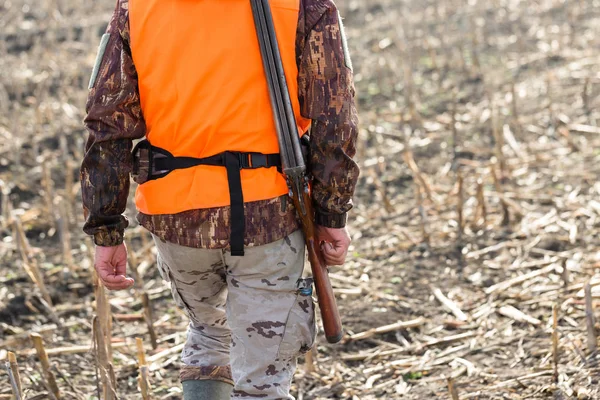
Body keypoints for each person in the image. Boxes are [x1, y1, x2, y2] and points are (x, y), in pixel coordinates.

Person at [80, 0, 358, 398]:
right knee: (262, 380)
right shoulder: (304, 4)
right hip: (271, 213)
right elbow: (336, 114)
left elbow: (106, 123)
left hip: (177, 216)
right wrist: (333, 212)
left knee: (209, 331)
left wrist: (105, 229)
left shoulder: (137, 6)